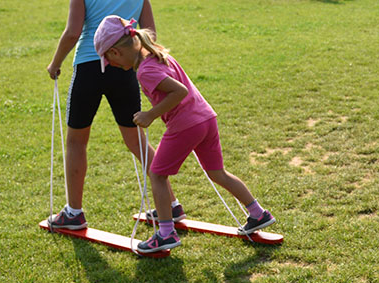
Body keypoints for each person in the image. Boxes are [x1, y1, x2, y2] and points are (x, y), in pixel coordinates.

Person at [93, 15, 275, 253]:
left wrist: (150, 114)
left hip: (186, 124)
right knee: (218, 173)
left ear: (116, 52)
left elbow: (178, 92)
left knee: (157, 175)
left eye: (109, 60)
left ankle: (166, 234)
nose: (112, 66)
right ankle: (258, 213)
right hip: (206, 118)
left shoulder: (145, 71)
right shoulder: (158, 54)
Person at [44, 0, 164, 230]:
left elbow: (73, 33)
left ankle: (73, 213)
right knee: (136, 139)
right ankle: (170, 204)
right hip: (125, 69)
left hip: (89, 67)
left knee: (76, 141)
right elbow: (150, 33)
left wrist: (55, 63)